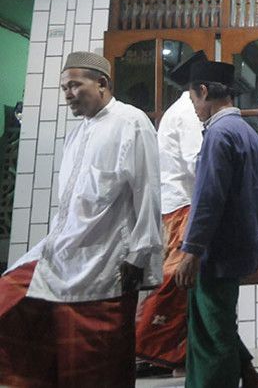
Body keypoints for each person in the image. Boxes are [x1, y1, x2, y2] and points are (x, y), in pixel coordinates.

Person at [0, 51, 162, 387]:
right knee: (12, 312)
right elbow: (69, 210)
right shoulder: (76, 134)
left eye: (75, 85)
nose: (68, 95)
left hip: (106, 269)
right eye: (64, 88)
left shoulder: (131, 122)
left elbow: (147, 192)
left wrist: (139, 254)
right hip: (61, 259)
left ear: (102, 84)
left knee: (98, 368)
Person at [173, 60, 258, 388]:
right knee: (219, 322)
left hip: (216, 250)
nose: (194, 108)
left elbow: (208, 198)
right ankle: (249, 374)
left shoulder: (218, 133)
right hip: (241, 244)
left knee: (212, 336)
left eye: (192, 99)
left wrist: (191, 250)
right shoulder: (247, 132)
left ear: (203, 91)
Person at [136, 50, 208, 374]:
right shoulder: (188, 113)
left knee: (179, 283)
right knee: (178, 282)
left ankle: (172, 354)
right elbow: (197, 163)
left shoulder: (175, 110)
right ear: (202, 85)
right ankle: (148, 345)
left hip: (174, 205)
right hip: (185, 205)